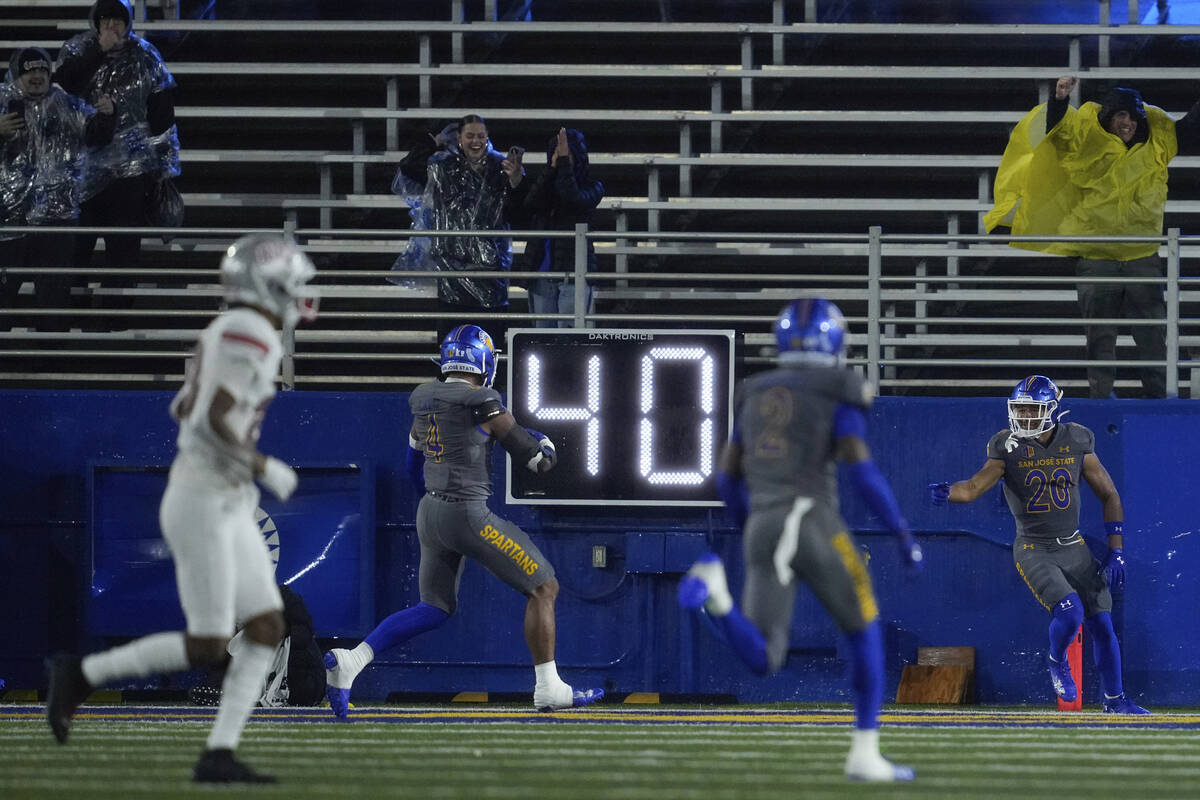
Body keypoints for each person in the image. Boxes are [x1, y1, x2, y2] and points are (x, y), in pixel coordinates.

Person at [45, 234, 320, 783]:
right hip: (203, 502)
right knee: (210, 643)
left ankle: (220, 753)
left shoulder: (228, 330)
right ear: (265, 283)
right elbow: (206, 420)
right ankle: (79, 674)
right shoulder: (249, 335)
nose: (300, 293)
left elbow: (182, 405)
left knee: (267, 623)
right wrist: (264, 465)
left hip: (223, 497)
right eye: (291, 280)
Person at [678, 298, 923, 783]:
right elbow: (862, 471)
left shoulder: (751, 391)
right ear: (833, 340)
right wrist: (901, 532)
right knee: (864, 628)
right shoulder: (838, 387)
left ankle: (719, 600)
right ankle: (865, 753)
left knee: (765, 658)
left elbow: (726, 480)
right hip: (811, 516)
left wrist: (749, 522)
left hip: (763, 524)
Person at [323, 323, 604, 716]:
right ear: (484, 362)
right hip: (467, 514)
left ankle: (351, 661)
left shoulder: (423, 398)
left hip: (430, 512)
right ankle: (548, 688)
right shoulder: (484, 400)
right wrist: (544, 443)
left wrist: (438, 503)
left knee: (434, 607)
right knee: (544, 586)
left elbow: (411, 466)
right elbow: (537, 462)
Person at [927, 374, 1149, 714]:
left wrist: (1116, 549)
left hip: (1073, 546)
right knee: (1070, 611)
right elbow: (973, 487)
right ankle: (1056, 659)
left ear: (1052, 410)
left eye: (1032, 411)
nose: (1025, 417)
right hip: (1034, 547)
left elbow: (1109, 493)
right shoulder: (1006, 446)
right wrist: (950, 492)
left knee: (1103, 624)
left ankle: (1115, 700)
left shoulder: (1076, 438)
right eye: (1020, 410)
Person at [985, 75, 1200, 399]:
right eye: (1120, 116)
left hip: (1142, 255)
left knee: (1152, 335)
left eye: (1132, 116)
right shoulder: (1085, 136)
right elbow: (1059, 131)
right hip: (1097, 256)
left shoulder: (1157, 138)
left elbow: (1189, 129)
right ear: (1109, 117)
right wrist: (1059, 100)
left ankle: (1158, 397)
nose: (1127, 123)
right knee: (1100, 335)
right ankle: (1102, 398)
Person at [54, 0, 180, 275]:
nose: (111, 27)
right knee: (77, 251)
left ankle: (116, 314)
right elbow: (65, 82)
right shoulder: (78, 48)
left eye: (117, 21)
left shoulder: (145, 55)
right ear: (96, 23)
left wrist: (165, 163)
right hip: (82, 167)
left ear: (128, 24)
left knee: (123, 252)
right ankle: (76, 311)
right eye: (105, 21)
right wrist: (100, 49)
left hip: (130, 173)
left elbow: (162, 113)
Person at [1, 47, 115, 330]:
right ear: (17, 75)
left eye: (42, 70)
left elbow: (97, 136)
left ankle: (51, 359)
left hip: (57, 219)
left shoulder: (66, 104)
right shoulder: (2, 105)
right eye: (30, 71)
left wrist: (108, 114)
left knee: (53, 294)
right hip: (8, 219)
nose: (37, 77)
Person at [421, 114, 524, 347]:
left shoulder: (501, 167)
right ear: (459, 137)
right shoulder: (444, 166)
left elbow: (519, 214)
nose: (475, 141)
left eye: (480, 136)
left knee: (490, 346)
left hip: (491, 273)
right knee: (452, 346)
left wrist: (516, 180)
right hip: (452, 272)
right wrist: (433, 143)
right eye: (470, 136)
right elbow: (408, 169)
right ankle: (451, 385)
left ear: (488, 137)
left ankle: (489, 385)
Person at [512, 127, 604, 328]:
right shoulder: (546, 180)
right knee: (542, 341)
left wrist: (563, 165)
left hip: (574, 275)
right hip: (541, 273)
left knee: (569, 340)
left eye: (566, 152)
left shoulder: (593, 186)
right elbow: (532, 204)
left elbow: (573, 200)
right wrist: (552, 168)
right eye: (556, 151)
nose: (561, 155)